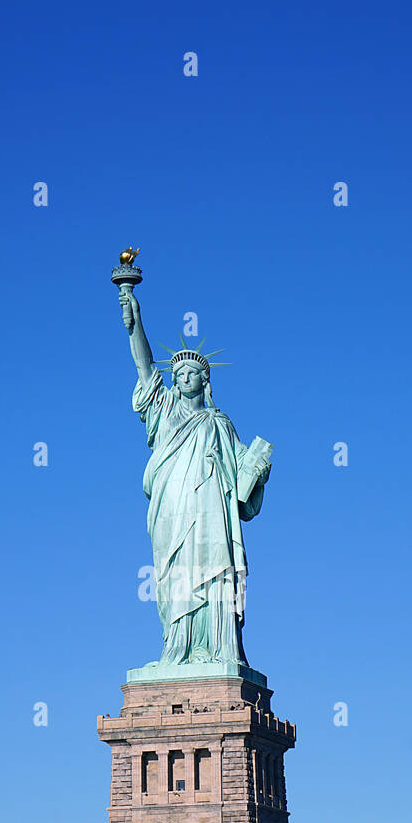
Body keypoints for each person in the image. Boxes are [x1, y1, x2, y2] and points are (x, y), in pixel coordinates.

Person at [118, 284, 271, 673]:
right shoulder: (165, 410)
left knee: (214, 569)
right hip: (173, 508)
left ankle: (219, 649)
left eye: (191, 374)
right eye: (179, 373)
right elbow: (144, 367)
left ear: (205, 381)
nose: (183, 378)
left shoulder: (220, 424)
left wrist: (259, 469)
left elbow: (241, 483)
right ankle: (179, 648)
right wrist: (135, 325)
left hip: (211, 514)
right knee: (176, 574)